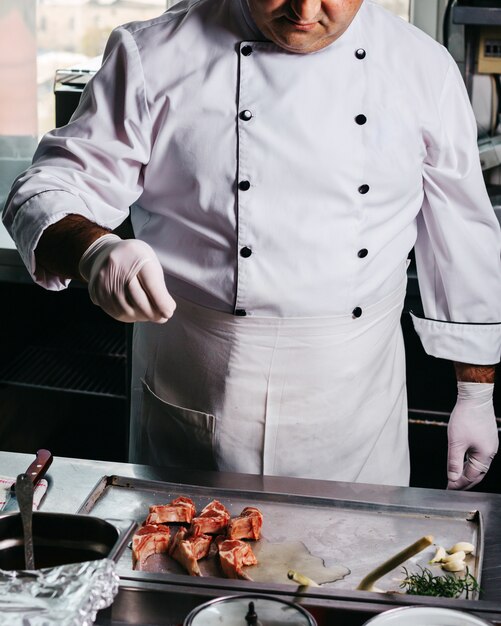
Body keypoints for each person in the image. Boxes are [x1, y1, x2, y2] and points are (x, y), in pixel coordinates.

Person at [3, 0, 501, 489]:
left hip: (355, 403)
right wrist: (94, 252)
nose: (305, 11)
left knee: (354, 558)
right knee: (181, 555)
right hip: (198, 385)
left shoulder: (422, 67)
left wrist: (476, 392)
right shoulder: (153, 54)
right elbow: (44, 191)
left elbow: (462, 231)